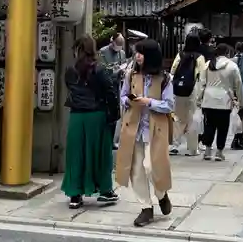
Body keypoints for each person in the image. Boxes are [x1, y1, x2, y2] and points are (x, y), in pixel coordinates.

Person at [116, 39, 174, 227]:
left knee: (152, 166)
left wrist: (149, 102)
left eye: (141, 53)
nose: (137, 56)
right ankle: (145, 208)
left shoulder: (165, 78)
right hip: (133, 128)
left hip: (155, 129)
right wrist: (128, 101)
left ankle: (161, 194)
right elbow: (123, 95)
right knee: (136, 170)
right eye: (136, 53)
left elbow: (169, 105)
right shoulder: (130, 74)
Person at [62, 34, 120, 209]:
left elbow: (70, 89)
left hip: (77, 117)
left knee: (76, 155)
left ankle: (75, 195)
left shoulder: (70, 70)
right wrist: (114, 115)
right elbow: (110, 92)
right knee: (100, 155)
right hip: (97, 115)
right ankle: (105, 191)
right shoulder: (99, 69)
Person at [198, 44, 243, 161]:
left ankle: (208, 150)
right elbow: (238, 84)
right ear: (228, 53)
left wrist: (199, 99)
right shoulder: (232, 66)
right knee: (223, 127)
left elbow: (201, 83)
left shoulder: (208, 64)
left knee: (209, 125)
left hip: (208, 100)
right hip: (224, 100)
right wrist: (240, 100)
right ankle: (219, 152)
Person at [169, 31, 206, 156]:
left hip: (178, 90)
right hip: (193, 89)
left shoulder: (180, 55)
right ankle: (192, 149)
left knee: (178, 118)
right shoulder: (199, 57)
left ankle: (175, 145)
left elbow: (172, 71)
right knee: (192, 119)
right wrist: (201, 95)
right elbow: (202, 77)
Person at [99, 32, 126, 149]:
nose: (118, 48)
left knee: (115, 113)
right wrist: (113, 70)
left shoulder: (122, 53)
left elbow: (123, 65)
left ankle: (111, 141)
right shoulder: (103, 52)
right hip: (105, 86)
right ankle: (103, 140)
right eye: (117, 44)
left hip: (116, 85)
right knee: (105, 113)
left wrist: (123, 71)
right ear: (112, 41)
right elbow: (101, 70)